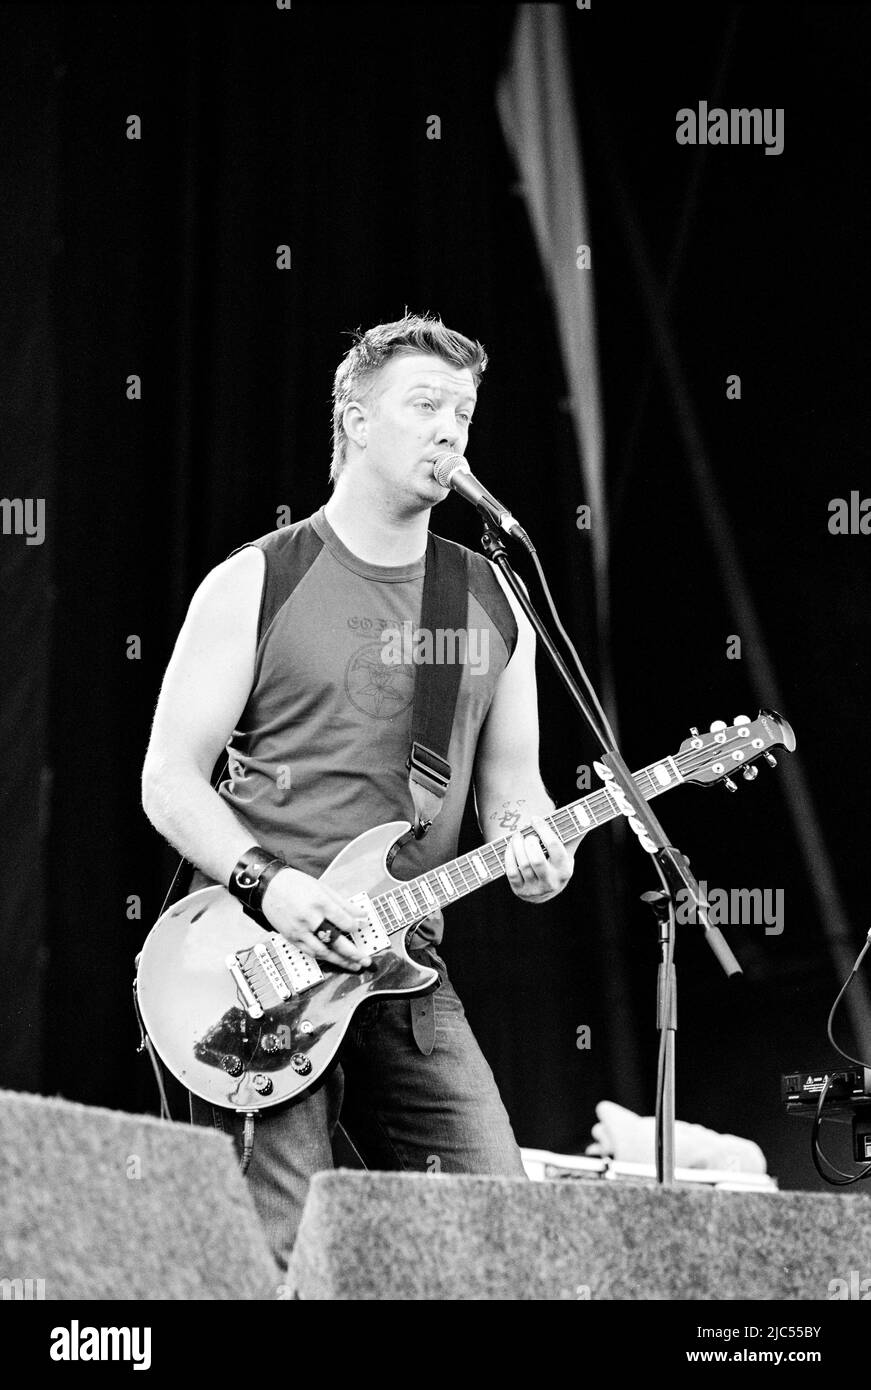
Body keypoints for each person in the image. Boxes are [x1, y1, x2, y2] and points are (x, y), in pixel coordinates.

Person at [141, 312, 579, 1269]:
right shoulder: (257, 580)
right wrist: (273, 885)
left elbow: (516, 791)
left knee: (497, 1249)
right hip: (255, 963)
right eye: (424, 405)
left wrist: (538, 849)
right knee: (272, 1260)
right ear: (353, 418)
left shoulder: (495, 600)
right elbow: (169, 779)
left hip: (404, 968)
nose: (449, 431)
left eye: (463, 413)